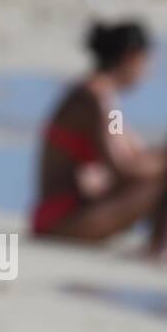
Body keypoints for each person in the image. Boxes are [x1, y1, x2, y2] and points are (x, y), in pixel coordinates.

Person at [32, 20, 167, 252]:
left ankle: (156, 251)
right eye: (146, 65)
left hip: (65, 212)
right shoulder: (98, 100)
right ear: (131, 58)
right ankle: (156, 253)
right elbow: (121, 167)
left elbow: (130, 156)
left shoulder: (97, 95)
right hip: (63, 220)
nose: (147, 74)